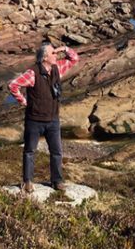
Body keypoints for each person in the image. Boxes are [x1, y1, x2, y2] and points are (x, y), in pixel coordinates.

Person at [7, 40, 80, 193]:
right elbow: (13, 85)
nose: (56, 55)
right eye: (53, 53)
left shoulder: (57, 68)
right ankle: (27, 181)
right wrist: (23, 101)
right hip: (34, 120)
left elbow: (74, 59)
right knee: (29, 151)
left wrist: (65, 48)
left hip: (53, 119)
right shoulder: (33, 73)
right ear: (44, 57)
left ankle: (57, 181)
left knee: (57, 152)